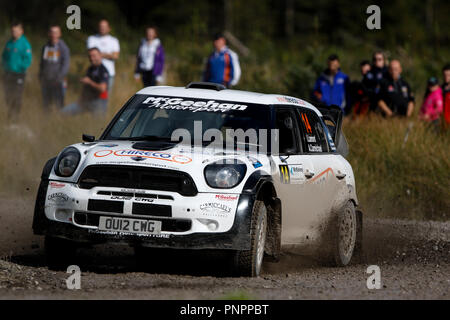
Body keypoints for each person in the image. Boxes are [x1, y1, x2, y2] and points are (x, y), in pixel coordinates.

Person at [62, 48, 109, 115]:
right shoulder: (90, 69)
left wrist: (89, 82)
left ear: (100, 55)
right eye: (90, 56)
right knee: (64, 113)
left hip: (99, 101)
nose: (91, 58)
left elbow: (102, 89)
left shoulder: (103, 70)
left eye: (94, 56)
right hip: (87, 100)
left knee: (98, 124)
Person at [1, 22, 32, 119]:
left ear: (21, 31)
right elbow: (4, 56)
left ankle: (16, 117)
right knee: (8, 96)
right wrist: (4, 67)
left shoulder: (24, 44)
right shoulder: (9, 43)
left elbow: (28, 60)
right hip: (8, 73)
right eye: (12, 31)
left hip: (19, 74)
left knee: (17, 96)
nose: (13, 32)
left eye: (15, 31)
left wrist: (20, 67)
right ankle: (10, 116)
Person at [38, 25, 70, 110]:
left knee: (59, 104)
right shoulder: (46, 47)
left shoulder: (63, 48)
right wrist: (40, 75)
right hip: (46, 80)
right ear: (49, 34)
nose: (53, 35)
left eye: (55, 33)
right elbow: (42, 63)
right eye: (51, 32)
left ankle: (59, 121)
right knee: (46, 104)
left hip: (58, 82)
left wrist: (58, 78)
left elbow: (65, 65)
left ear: (59, 34)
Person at [87, 19, 119, 96]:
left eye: (104, 26)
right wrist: (108, 55)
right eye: (101, 26)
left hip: (109, 73)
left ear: (109, 28)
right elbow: (91, 54)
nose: (102, 28)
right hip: (94, 72)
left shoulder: (113, 40)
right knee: (92, 95)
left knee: (106, 96)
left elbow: (115, 56)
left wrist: (98, 54)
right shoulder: (92, 39)